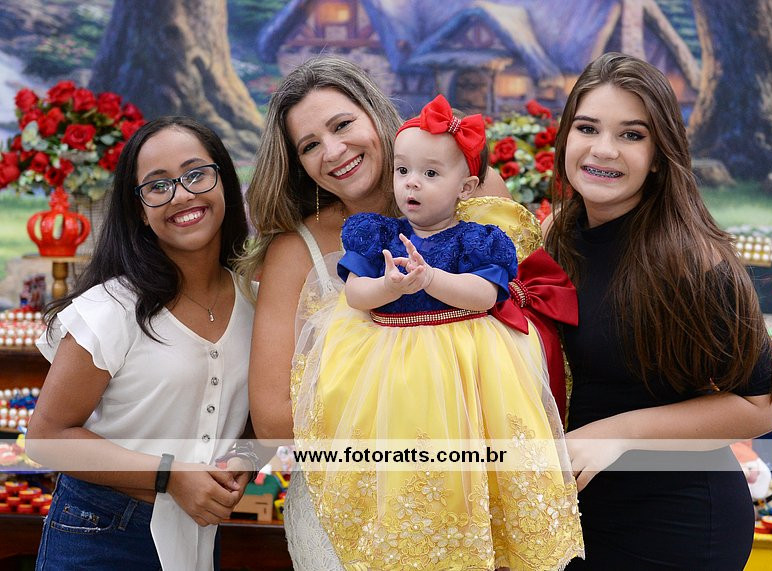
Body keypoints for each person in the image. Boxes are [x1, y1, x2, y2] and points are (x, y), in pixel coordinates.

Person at [238, 56, 540, 570]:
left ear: (375, 114)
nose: (333, 151)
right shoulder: (295, 251)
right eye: (310, 145)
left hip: (473, 492)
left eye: (342, 125)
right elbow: (273, 421)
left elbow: (526, 325)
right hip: (348, 509)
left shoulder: (477, 198)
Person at [291, 93, 583, 570]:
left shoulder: (477, 238)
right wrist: (388, 285)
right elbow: (355, 294)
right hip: (391, 370)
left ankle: (469, 530)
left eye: (431, 173)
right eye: (403, 170)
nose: (412, 183)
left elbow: (486, 296)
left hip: (464, 369)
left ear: (466, 187)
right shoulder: (378, 235)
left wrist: (431, 279)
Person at [542, 53, 772, 568]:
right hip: (573, 517)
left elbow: (766, 404)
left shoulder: (693, 263)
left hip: (675, 524)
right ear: (565, 138)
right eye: (588, 128)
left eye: (631, 134)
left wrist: (618, 433)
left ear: (658, 155)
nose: (603, 149)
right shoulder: (554, 234)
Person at [27, 116, 258, 570]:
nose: (182, 195)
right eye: (158, 186)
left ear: (224, 183)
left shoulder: (258, 302)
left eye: (196, 174)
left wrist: (245, 459)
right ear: (139, 210)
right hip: (99, 533)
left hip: (196, 533)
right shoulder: (111, 307)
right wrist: (169, 476)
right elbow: (46, 438)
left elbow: (261, 413)